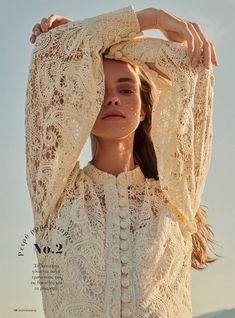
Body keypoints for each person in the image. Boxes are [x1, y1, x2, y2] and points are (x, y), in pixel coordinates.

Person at [25, 5, 219, 318]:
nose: (112, 98)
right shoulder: (55, 195)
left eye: (126, 89)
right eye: (98, 88)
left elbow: (188, 69)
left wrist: (88, 38)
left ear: (143, 110)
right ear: (81, 103)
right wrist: (152, 18)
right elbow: (51, 52)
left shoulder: (176, 195)